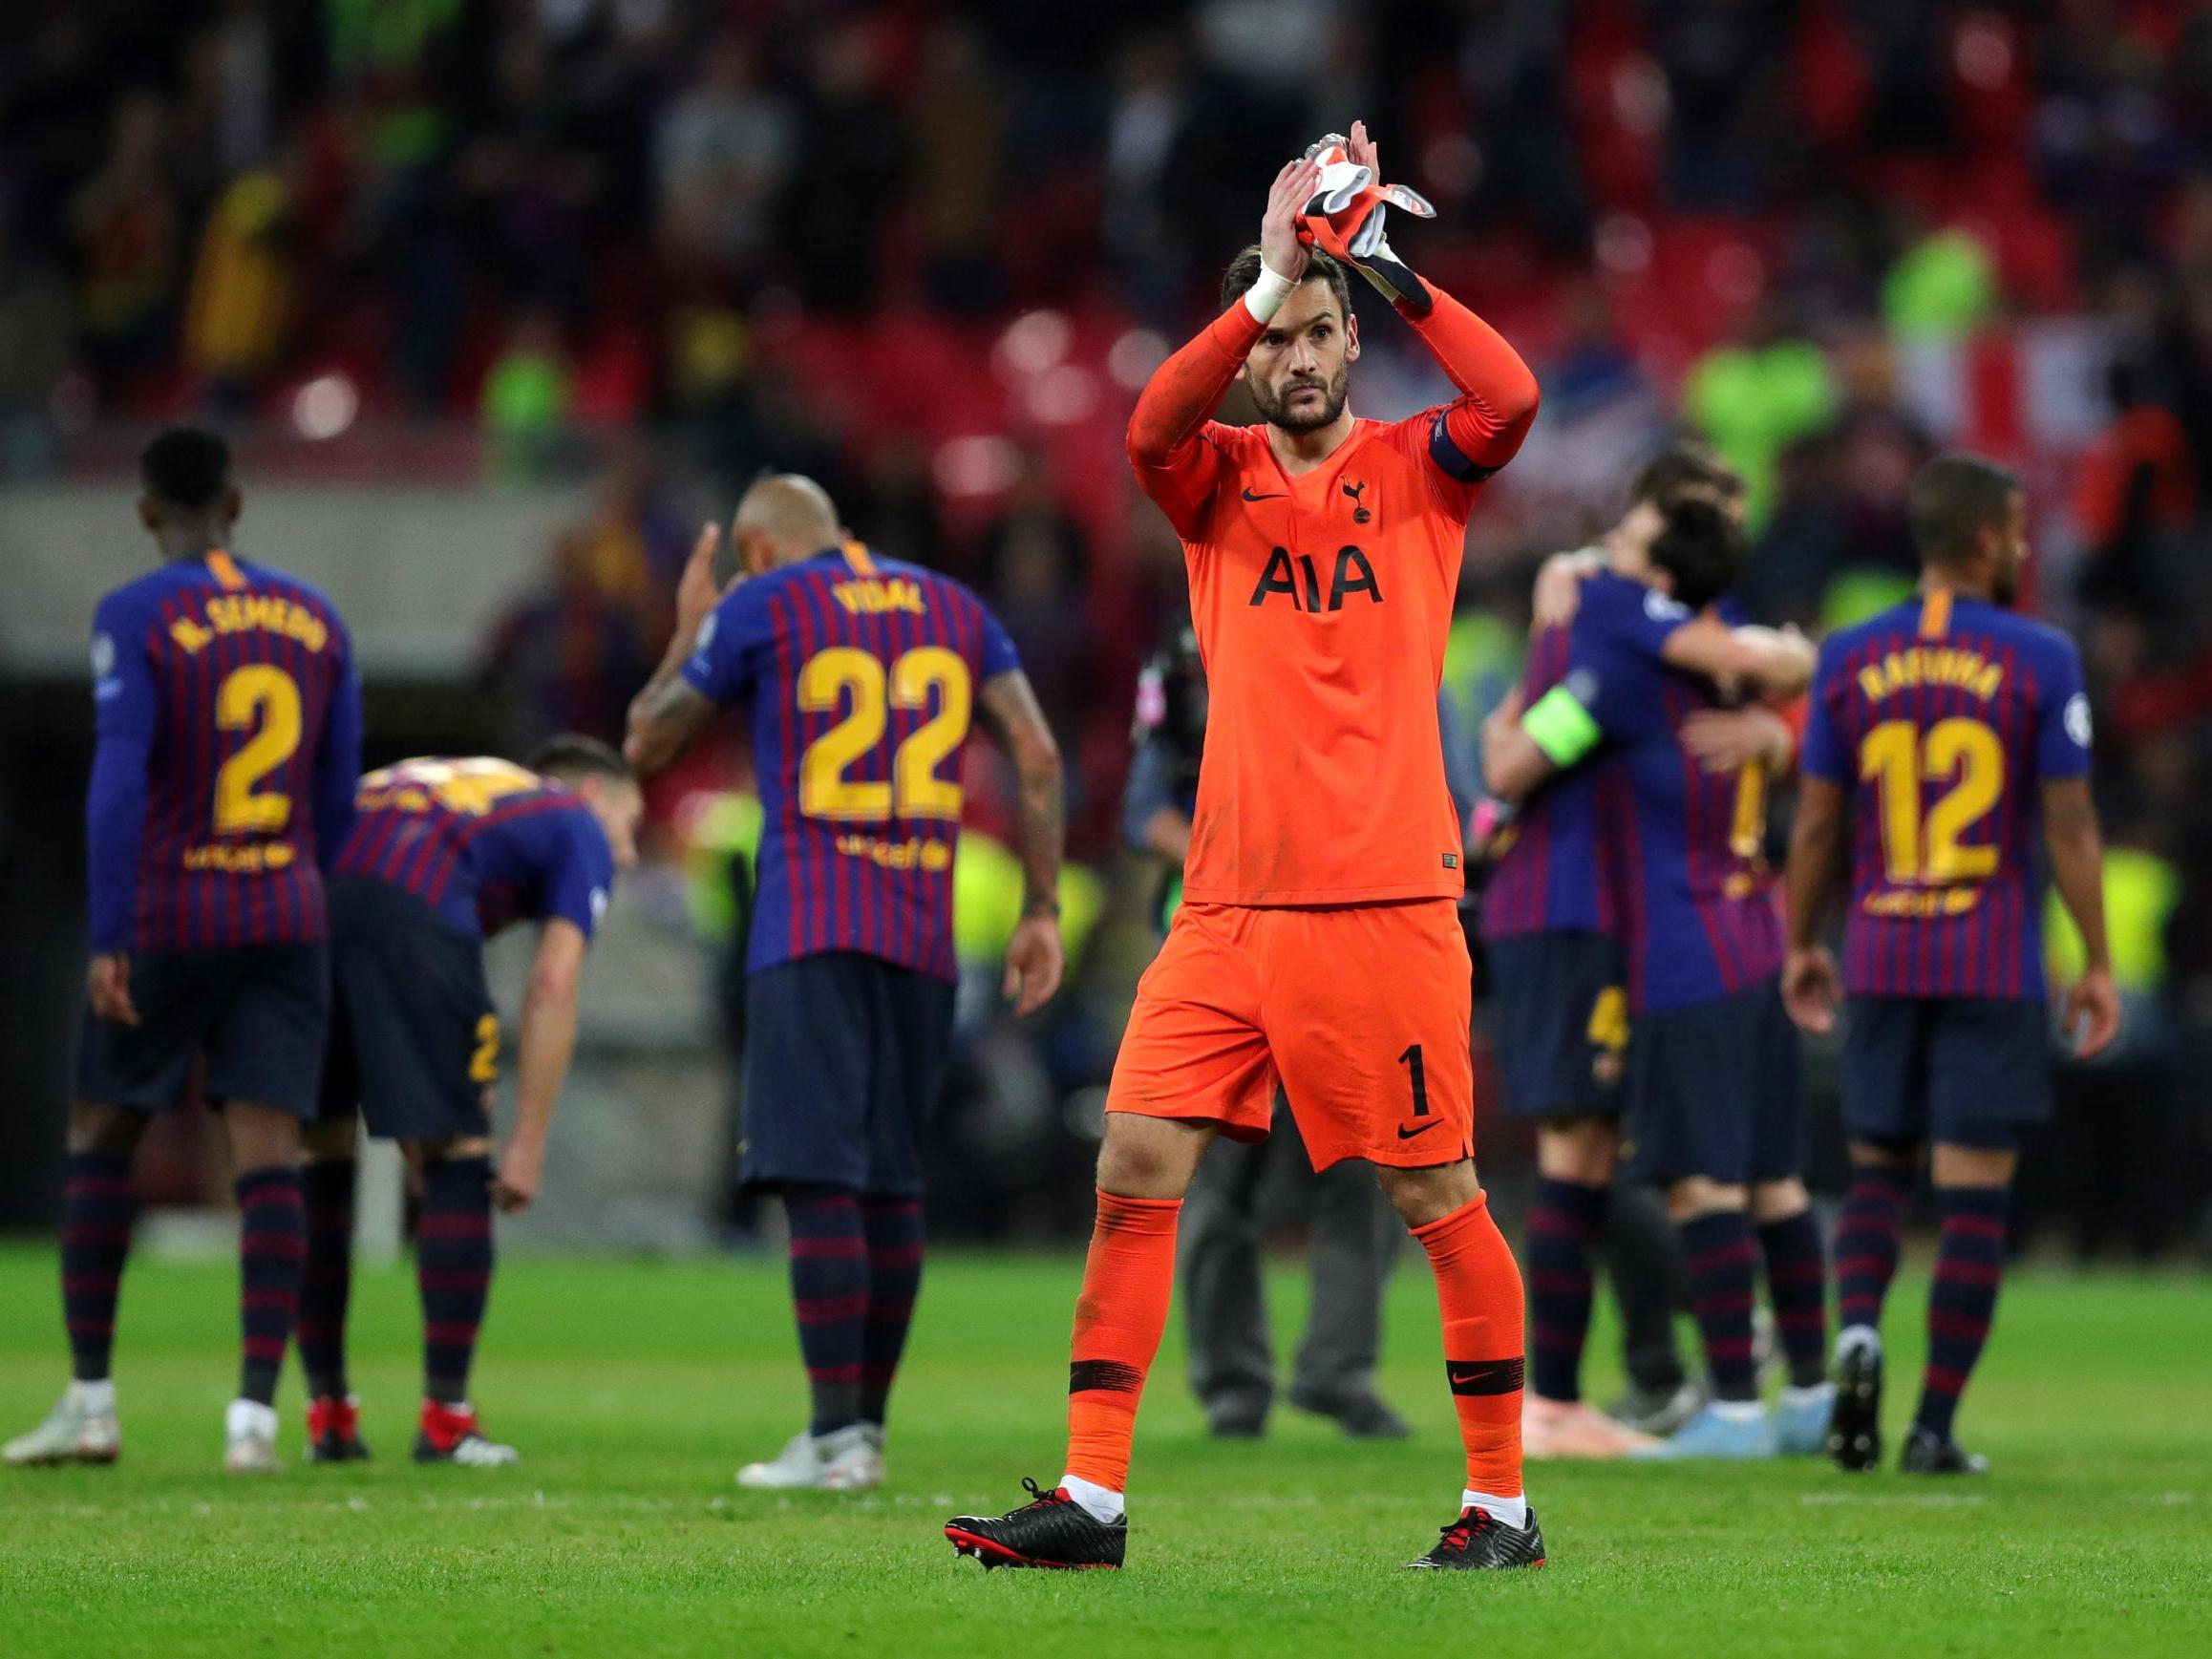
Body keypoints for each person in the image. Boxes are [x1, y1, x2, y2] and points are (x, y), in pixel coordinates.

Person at [946, 123, 1548, 1573]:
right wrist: (1270, 269)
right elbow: (1144, 427)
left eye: (1321, 329)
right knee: (1134, 1158)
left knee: (1432, 1193)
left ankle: (1504, 1508)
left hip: (1383, 898)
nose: (1299, 352)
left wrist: (1387, 269)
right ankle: (1093, 1497)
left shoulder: (1423, 470)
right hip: (1221, 906)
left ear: (1355, 344)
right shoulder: (1210, 479)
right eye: (1282, 331)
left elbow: (1513, 393)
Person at [625, 476, 1065, 1493]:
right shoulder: (955, 605)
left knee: (819, 1177)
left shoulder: (760, 603)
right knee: (891, 1178)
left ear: (761, 548)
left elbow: (647, 741)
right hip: (923, 933)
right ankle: (860, 1430)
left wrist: (690, 628)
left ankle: (833, 1439)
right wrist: (1039, 909)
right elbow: (1038, 755)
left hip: (811, 925)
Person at [5, 427, 362, 1475]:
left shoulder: (135, 612)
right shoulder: (318, 616)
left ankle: (92, 1402)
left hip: (173, 911)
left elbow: (118, 780)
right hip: (287, 916)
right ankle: (253, 1417)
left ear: (146, 511)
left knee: (100, 1132)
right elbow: (336, 798)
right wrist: (317, 905)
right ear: (238, 505)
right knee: (269, 1153)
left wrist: (110, 932)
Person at [1783, 454, 2121, 1476]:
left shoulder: (1847, 656)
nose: (2024, 548)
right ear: (1984, 538)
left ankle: (1856, 1332)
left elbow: (1816, 828)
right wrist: (2097, 960)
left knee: (1878, 1172)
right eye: (2017, 531)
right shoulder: (2040, 657)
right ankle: (1931, 1428)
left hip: (1881, 949)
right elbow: (2069, 825)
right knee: (1974, 1193)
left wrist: (1803, 942)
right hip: (1990, 958)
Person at [1481, 496, 1830, 1459]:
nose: (1604, 559)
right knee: (1761, 1180)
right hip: (1750, 929)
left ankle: (1701, 1401)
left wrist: (1508, 712)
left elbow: (1509, 763)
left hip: (1662, 943)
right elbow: (1801, 669)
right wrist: (1788, 731)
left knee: (1672, 1176)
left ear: (1662, 575)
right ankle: (1798, 1394)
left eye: (1626, 545)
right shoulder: (1733, 669)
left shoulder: (1620, 654)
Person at [294, 738, 643, 1466]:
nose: (631, 851)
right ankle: (447, 1418)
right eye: (630, 825)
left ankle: (327, 1412)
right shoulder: (574, 820)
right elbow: (553, 983)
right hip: (412, 895)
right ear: (594, 796)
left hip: (305, 896)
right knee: (460, 1149)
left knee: (320, 1146)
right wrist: (528, 1141)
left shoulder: (461, 785)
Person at [1124, 621, 1409, 1442]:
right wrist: (1227, 852)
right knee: (1214, 1176)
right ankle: (1233, 1385)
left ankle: (1335, 1371)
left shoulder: (1361, 640)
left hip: (1339, 937)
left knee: (1362, 1163)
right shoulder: (1184, 658)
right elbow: (1143, 805)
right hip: (1220, 949)